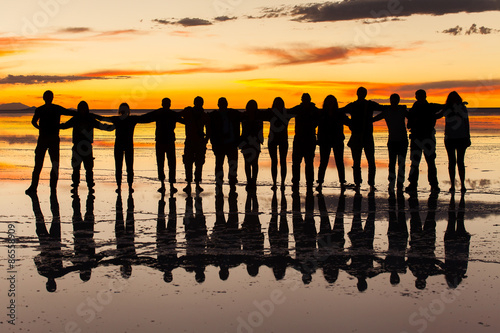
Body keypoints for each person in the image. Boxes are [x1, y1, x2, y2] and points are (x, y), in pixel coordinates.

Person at [26, 90, 74, 194]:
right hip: (44, 139)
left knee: (53, 164)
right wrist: (40, 128)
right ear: (45, 98)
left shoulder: (54, 108)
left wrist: (81, 113)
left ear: (51, 98)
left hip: (52, 139)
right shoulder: (42, 109)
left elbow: (69, 112)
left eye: (49, 96)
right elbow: (34, 122)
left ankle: (52, 188)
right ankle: (34, 187)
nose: (48, 98)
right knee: (39, 164)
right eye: (47, 96)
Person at [60, 101, 114, 194]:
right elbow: (65, 126)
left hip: (87, 147)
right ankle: (75, 186)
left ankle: (90, 186)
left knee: (89, 169)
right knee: (76, 168)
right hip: (77, 146)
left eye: (84, 108)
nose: (82, 110)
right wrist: (53, 126)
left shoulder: (90, 118)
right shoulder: (76, 118)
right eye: (81, 108)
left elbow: (100, 126)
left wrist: (112, 127)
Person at [343, 87, 385, 192]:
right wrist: (349, 123)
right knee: (359, 162)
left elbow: (384, 109)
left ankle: (369, 184)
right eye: (360, 92)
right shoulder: (354, 105)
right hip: (358, 136)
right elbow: (340, 112)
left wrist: (373, 119)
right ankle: (359, 183)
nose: (361, 94)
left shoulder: (368, 104)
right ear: (358, 93)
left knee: (368, 161)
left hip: (366, 136)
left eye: (362, 92)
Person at [101, 103, 150, 193]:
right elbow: (146, 118)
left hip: (121, 145)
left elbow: (102, 118)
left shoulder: (118, 119)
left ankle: (120, 187)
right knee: (128, 167)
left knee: (120, 167)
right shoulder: (131, 119)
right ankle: (128, 186)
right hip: (127, 145)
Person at [142, 98, 185, 193]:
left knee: (164, 163)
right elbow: (184, 121)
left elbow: (146, 117)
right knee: (168, 163)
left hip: (164, 141)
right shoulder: (170, 114)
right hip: (165, 141)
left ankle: (165, 185)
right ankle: (168, 185)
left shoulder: (163, 113)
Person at [406, 89, 443, 193]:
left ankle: (433, 184)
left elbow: (444, 107)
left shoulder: (429, 107)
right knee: (418, 162)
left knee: (428, 162)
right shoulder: (417, 108)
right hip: (418, 138)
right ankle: (415, 184)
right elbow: (409, 125)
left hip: (426, 138)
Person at [372, 93, 409, 192]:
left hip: (402, 140)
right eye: (391, 100)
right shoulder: (387, 111)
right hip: (392, 140)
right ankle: (392, 182)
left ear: (398, 101)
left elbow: (412, 117)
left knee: (401, 163)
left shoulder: (402, 110)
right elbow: (373, 119)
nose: (393, 102)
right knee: (392, 163)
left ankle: (400, 183)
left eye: (394, 100)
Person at [316, 94, 350, 192]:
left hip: (337, 140)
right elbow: (315, 125)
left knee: (339, 162)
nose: (330, 104)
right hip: (325, 141)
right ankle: (320, 183)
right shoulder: (322, 113)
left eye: (332, 102)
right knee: (324, 162)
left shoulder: (339, 113)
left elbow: (348, 122)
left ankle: (342, 182)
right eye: (329, 102)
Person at [438, 91, 470, 193]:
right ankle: (455, 185)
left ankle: (461, 185)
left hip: (458, 138)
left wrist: (468, 137)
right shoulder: (448, 109)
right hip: (452, 138)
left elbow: (466, 123)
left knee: (457, 162)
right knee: (455, 162)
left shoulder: (458, 109)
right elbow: (438, 115)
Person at [208, 97, 241, 193]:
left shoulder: (233, 113)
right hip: (219, 144)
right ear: (218, 105)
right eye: (221, 103)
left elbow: (245, 116)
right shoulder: (214, 115)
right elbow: (210, 129)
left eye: (224, 103)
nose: (223, 105)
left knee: (232, 164)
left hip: (231, 143)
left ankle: (232, 181)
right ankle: (219, 181)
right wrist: (213, 142)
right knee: (219, 164)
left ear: (227, 104)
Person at [288, 93, 320, 193]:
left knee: (308, 162)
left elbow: (319, 121)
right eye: (304, 99)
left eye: (306, 99)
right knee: (297, 163)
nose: (305, 101)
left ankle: (309, 182)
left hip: (309, 139)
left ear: (309, 99)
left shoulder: (314, 110)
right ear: (302, 100)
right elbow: (287, 112)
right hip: (299, 139)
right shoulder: (298, 109)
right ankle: (296, 182)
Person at [262, 97, 293, 191]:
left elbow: (297, 111)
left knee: (283, 161)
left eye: (280, 104)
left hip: (283, 140)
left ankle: (283, 183)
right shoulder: (271, 113)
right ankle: (275, 183)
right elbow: (260, 115)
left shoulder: (286, 113)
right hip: (272, 140)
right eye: (277, 104)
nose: (278, 105)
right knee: (274, 162)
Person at [181, 96, 209, 194]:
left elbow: (208, 127)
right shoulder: (189, 112)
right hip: (192, 141)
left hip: (197, 142)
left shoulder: (202, 114)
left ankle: (195, 184)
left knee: (197, 163)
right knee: (190, 163)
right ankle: (191, 184)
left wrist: (206, 139)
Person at [240, 99, 264, 192]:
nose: (251, 108)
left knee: (254, 163)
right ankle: (249, 181)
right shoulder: (244, 116)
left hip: (255, 142)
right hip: (246, 142)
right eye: (250, 106)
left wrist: (260, 139)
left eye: (253, 106)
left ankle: (253, 181)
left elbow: (260, 129)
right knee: (247, 163)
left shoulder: (258, 117)